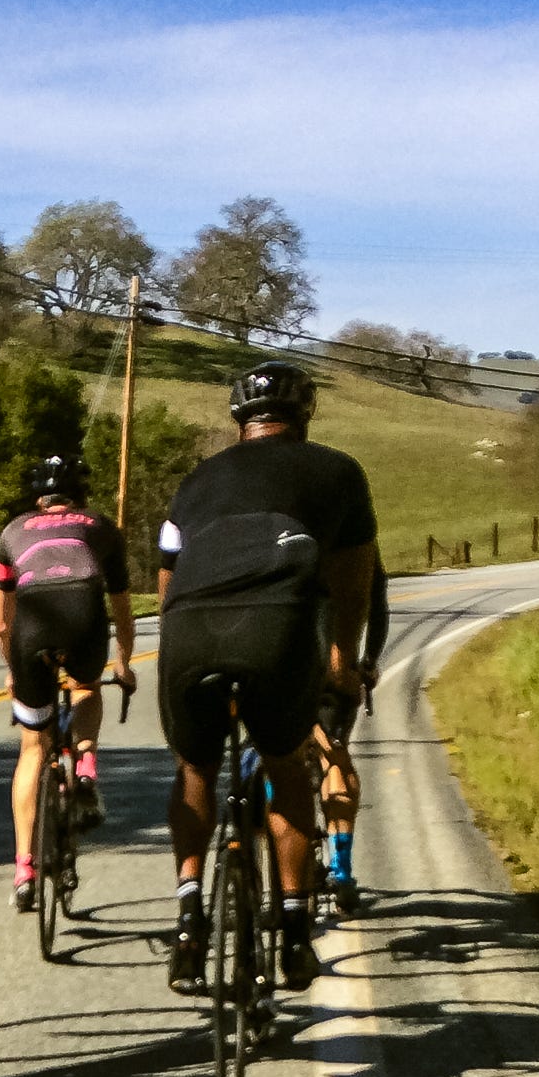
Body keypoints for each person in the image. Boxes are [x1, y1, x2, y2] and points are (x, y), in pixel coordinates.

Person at [157, 361, 380, 992]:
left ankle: (189, 913)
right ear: (305, 415)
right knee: (285, 765)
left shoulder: (196, 479)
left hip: (187, 632)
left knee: (195, 769)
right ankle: (290, 930)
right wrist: (342, 660)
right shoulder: (337, 471)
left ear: (239, 420)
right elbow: (353, 580)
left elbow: (168, 575)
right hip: (277, 631)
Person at [0, 451, 136, 912]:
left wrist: (14, 670)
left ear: (38, 498)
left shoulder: (12, 531)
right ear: (79, 495)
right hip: (84, 616)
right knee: (85, 687)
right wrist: (125, 662)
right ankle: (87, 765)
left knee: (33, 748)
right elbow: (121, 607)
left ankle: (24, 869)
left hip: (30, 623)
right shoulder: (99, 525)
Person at [309, 553, 388, 916]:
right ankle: (342, 874)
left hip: (276, 661)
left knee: (276, 755)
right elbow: (377, 600)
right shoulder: (351, 531)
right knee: (335, 759)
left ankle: (279, 864)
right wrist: (368, 662)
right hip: (336, 668)